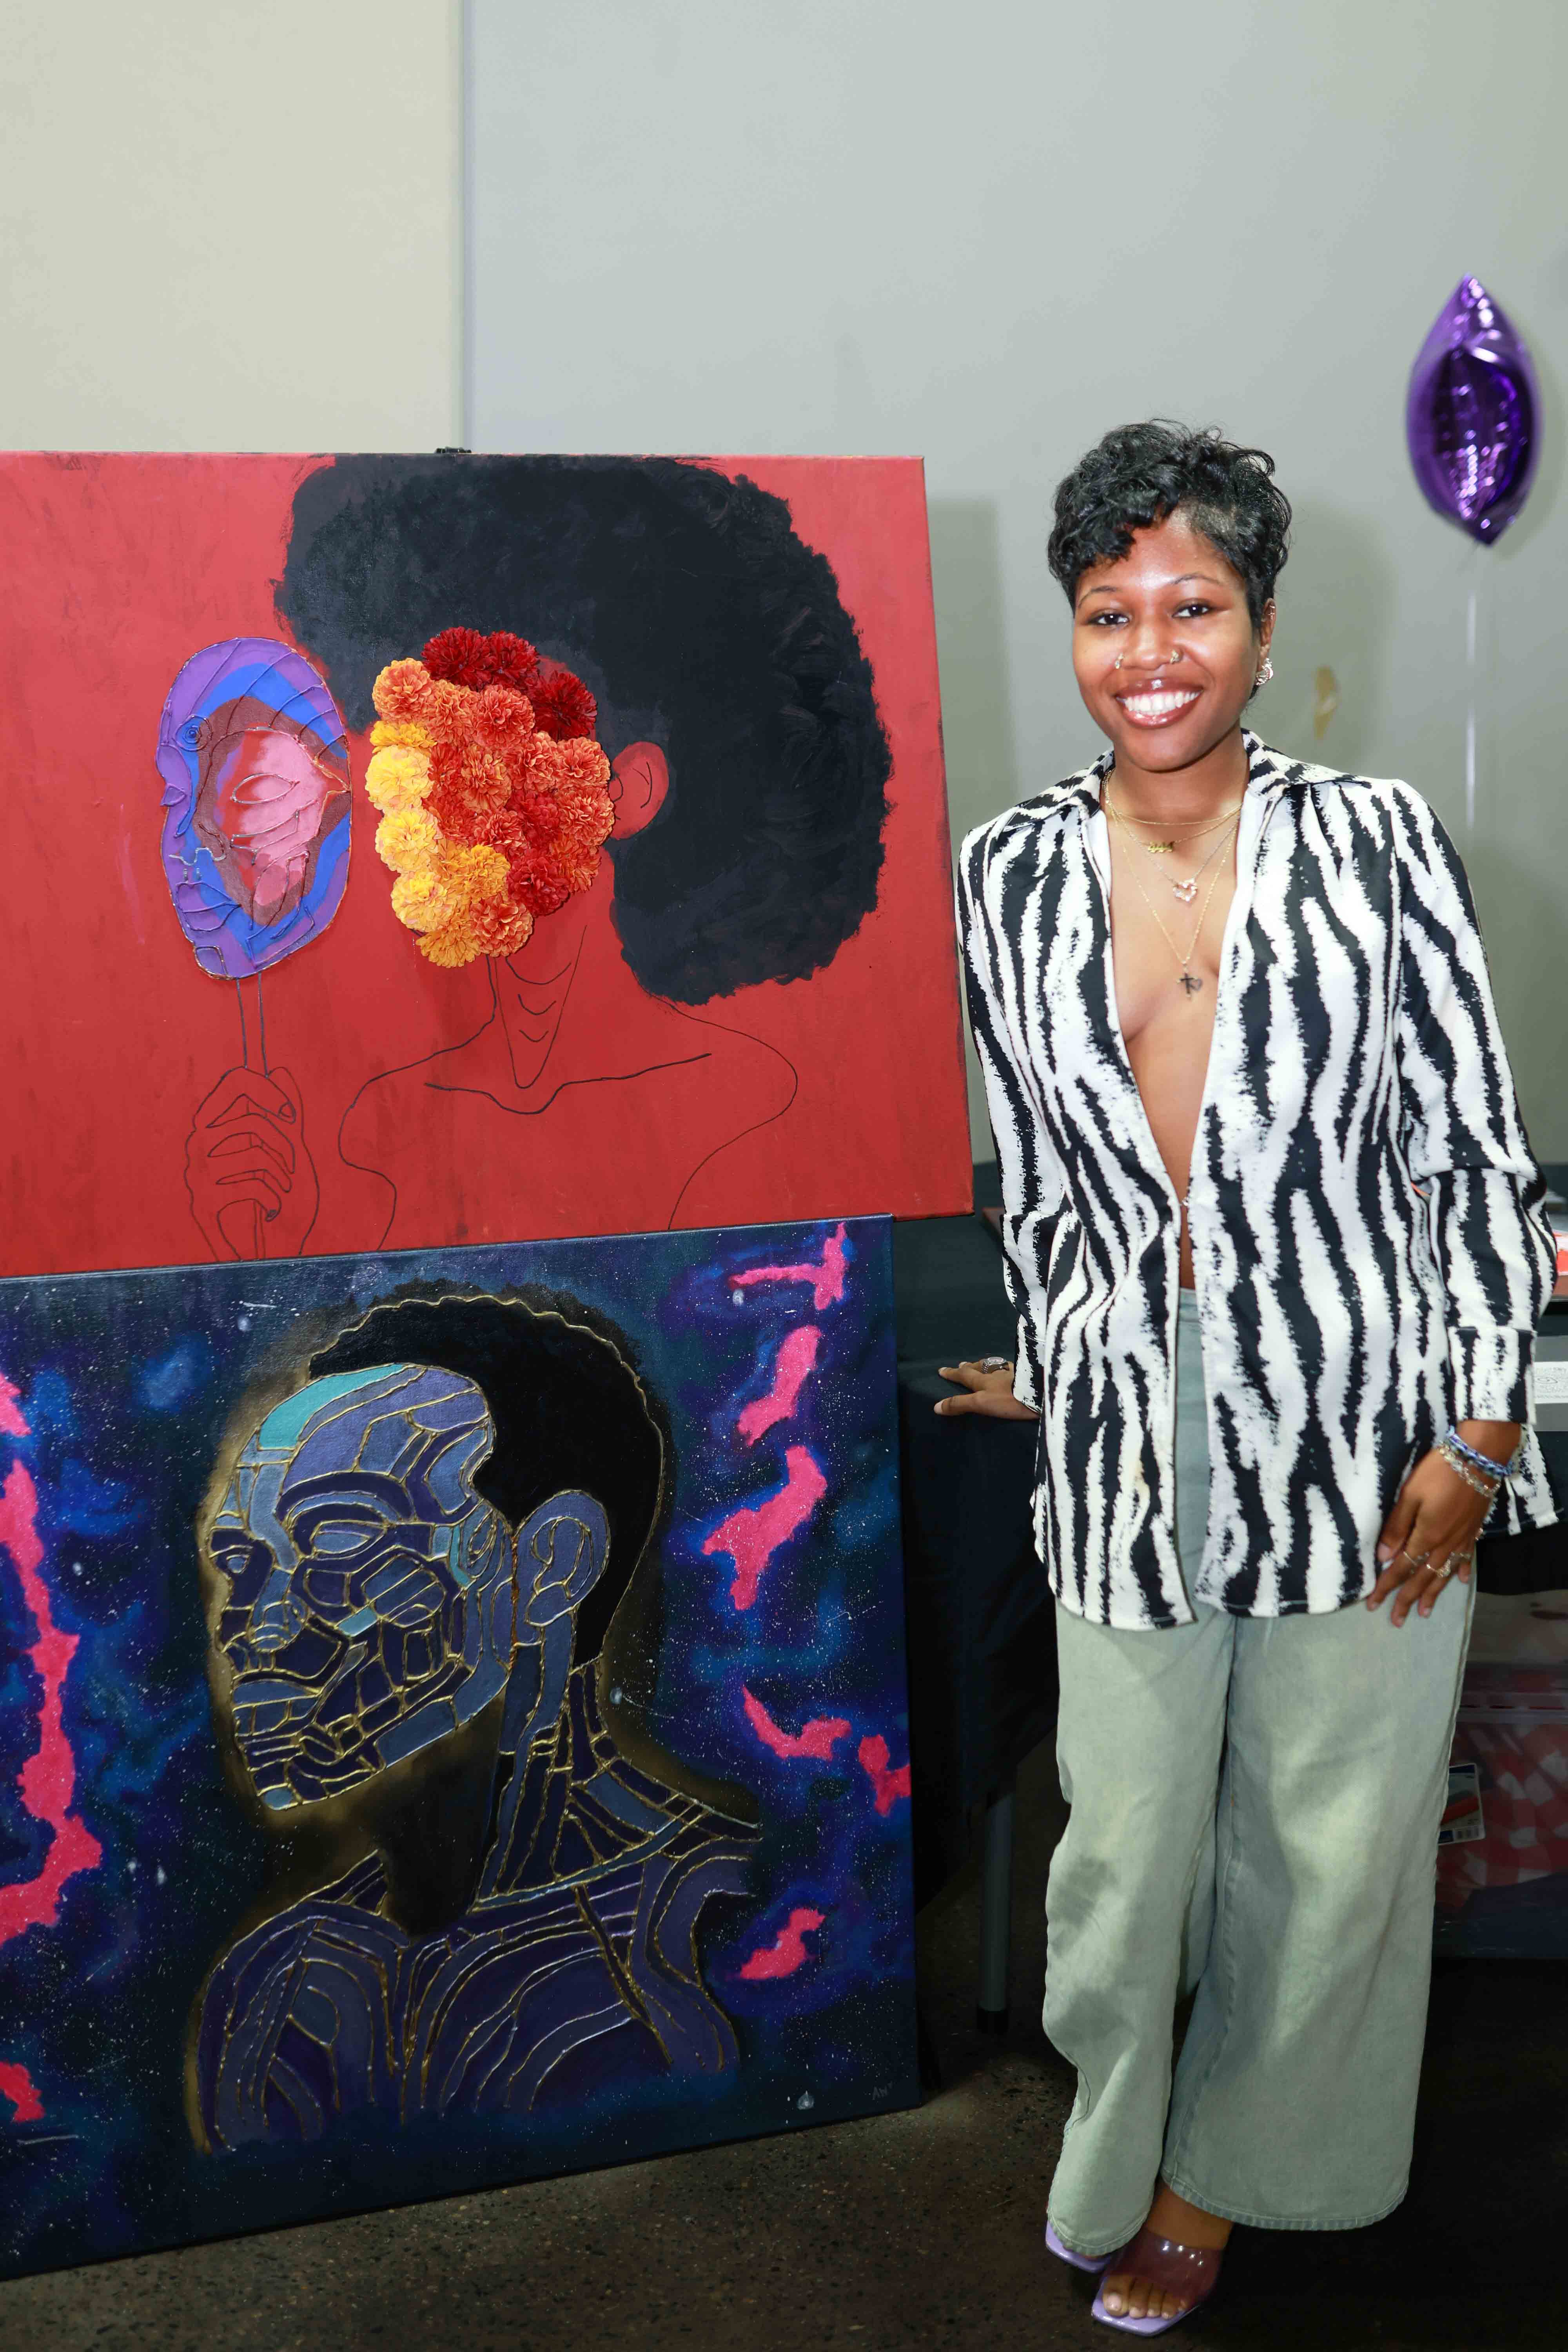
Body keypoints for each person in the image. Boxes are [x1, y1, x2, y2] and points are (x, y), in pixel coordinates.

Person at [942, 421, 1556, 2333]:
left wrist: (1479, 1424)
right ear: (1072, 631)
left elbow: (1471, 1149)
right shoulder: (1002, 874)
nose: (1149, 649)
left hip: (1365, 1422)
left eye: (1190, 604)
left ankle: (1219, 2183)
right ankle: (1115, 2137)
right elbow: (1036, 1176)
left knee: (1332, 1845)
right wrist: (1056, 1366)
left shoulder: (1376, 842)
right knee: (1120, 1861)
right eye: (1107, 609)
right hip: (1124, 1435)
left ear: (1263, 629)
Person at [184, 456, 893, 1254]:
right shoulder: (378, 1130)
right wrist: (276, 1242)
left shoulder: (745, 1104)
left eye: (506, 726)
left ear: (627, 794)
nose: (445, 770)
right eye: (435, 724)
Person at [189, 1291, 758, 2150]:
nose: (251, 1621)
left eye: (339, 1537)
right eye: (242, 1560)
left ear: (552, 1563)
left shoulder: (725, 1917)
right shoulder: (276, 1982)